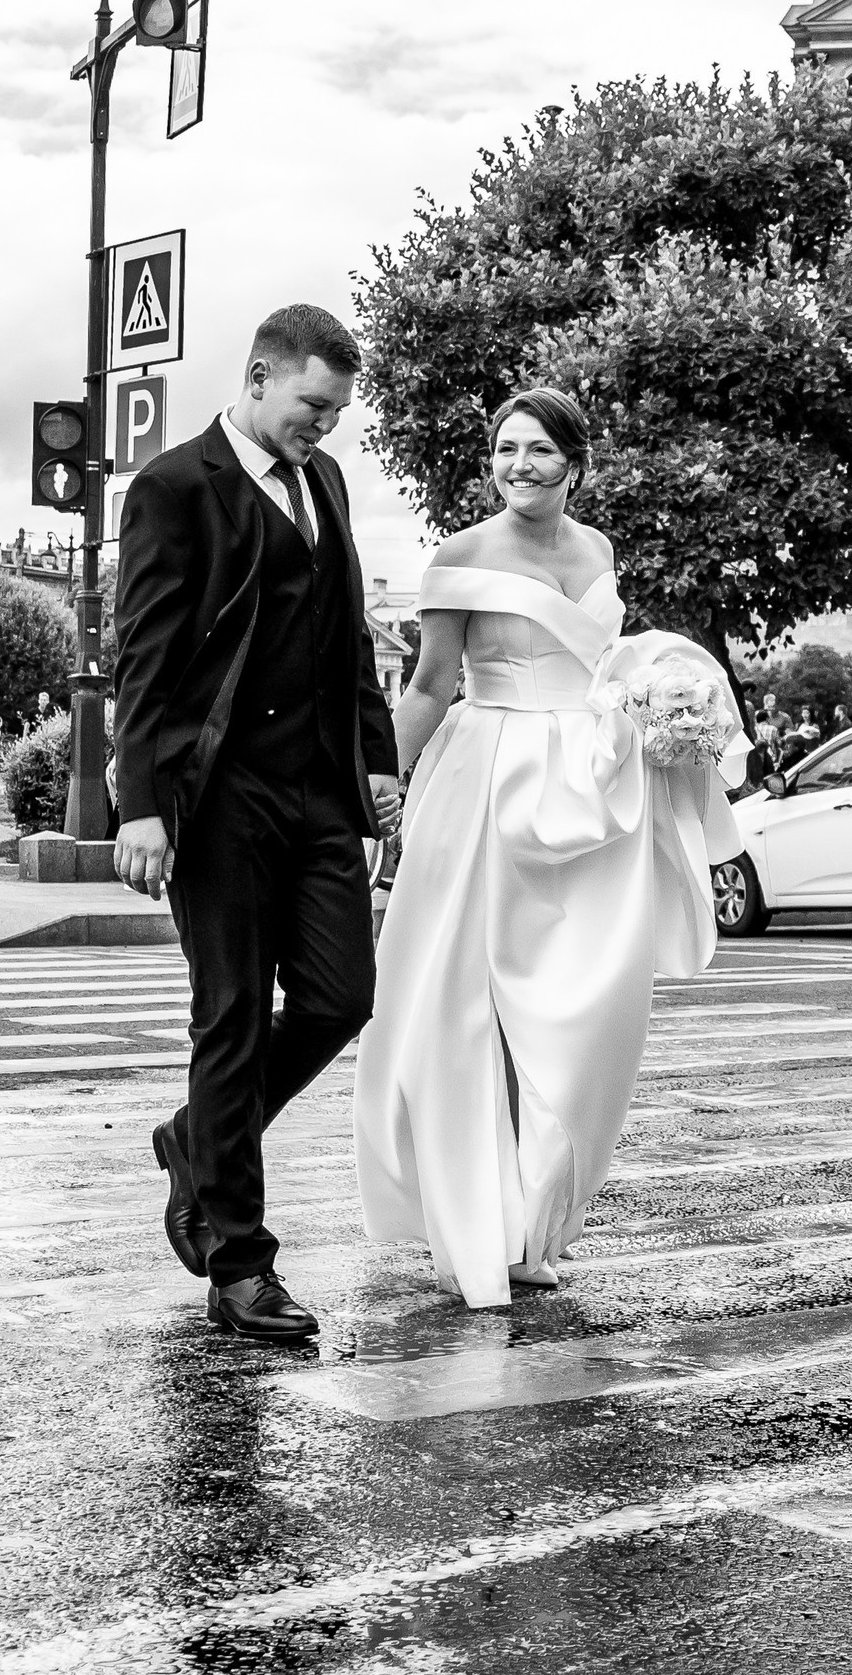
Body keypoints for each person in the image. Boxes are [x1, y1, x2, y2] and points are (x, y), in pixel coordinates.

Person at [355, 386, 746, 1310]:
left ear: (575, 461)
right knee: (471, 1005)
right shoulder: (461, 556)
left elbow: (604, 669)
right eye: (503, 448)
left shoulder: (598, 550)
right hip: (490, 780)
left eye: (536, 449)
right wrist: (376, 781)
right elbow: (427, 688)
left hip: (596, 786)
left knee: (586, 1008)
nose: (516, 465)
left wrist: (658, 708)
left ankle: (536, 1216)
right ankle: (479, 1226)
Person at [111, 304, 403, 1345]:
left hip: (319, 791)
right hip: (219, 796)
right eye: (312, 405)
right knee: (229, 1017)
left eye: (335, 413)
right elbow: (142, 654)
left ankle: (196, 1138)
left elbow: (350, 640)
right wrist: (140, 801)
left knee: (340, 997)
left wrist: (376, 762)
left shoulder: (324, 482)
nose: (321, 427)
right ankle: (238, 1260)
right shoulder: (173, 487)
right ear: (261, 374)